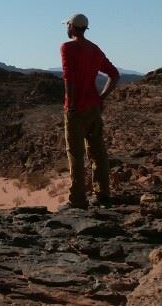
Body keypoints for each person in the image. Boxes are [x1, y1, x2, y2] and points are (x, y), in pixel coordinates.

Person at [60, 13, 119, 209]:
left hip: (76, 109)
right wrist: (101, 97)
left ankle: (77, 200)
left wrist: (71, 104)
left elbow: (68, 78)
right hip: (94, 107)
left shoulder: (67, 47)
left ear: (73, 27)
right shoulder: (94, 49)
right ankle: (103, 195)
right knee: (98, 152)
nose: (66, 28)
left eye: (67, 25)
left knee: (75, 155)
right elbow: (114, 74)